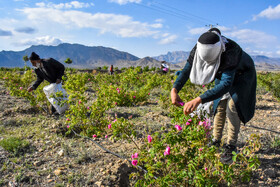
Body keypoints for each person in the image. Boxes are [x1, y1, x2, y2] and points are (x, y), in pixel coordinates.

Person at [170, 28, 256, 164]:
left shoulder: (231, 50)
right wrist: (175, 89)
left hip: (242, 75)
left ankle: (231, 146)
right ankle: (216, 140)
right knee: (219, 106)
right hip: (221, 72)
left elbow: (226, 84)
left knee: (232, 107)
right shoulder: (197, 49)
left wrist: (199, 99)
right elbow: (186, 70)